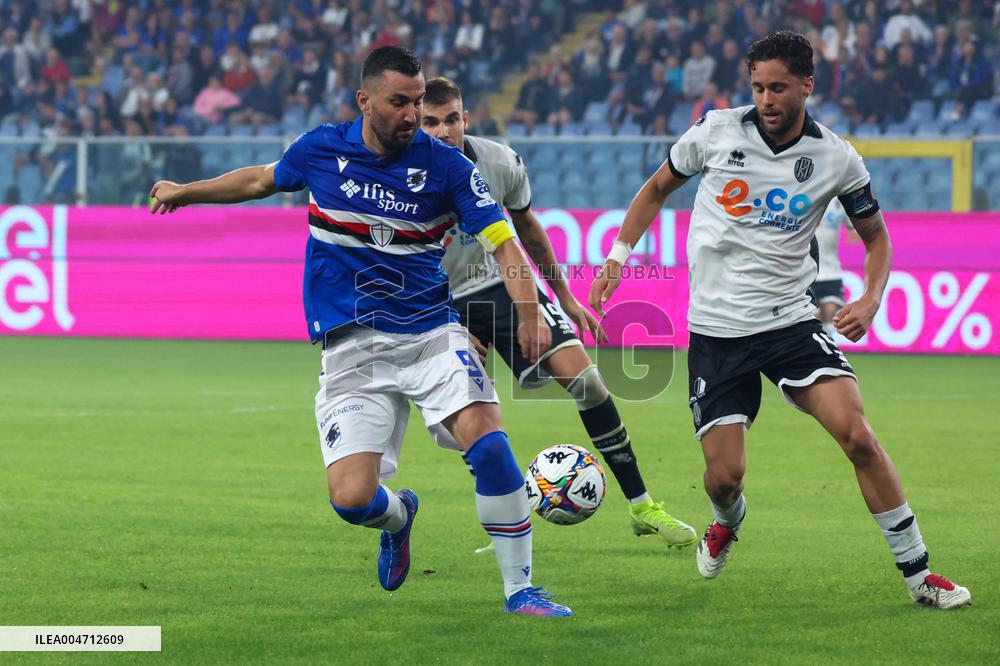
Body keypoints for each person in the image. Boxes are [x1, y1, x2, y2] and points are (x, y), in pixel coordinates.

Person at [148, 46, 573, 617]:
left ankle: (521, 590)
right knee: (351, 500)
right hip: (351, 345)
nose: (412, 115)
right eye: (400, 102)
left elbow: (505, 244)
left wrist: (529, 314)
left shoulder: (448, 167)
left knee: (490, 444)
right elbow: (258, 181)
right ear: (365, 100)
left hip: (430, 332)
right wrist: (185, 191)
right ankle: (399, 517)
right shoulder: (322, 148)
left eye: (419, 102)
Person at [589, 31, 971, 609]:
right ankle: (725, 522)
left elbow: (877, 239)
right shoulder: (715, 132)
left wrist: (869, 298)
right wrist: (618, 256)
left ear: (806, 87)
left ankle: (919, 574)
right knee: (724, 478)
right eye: (758, 87)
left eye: (778, 88)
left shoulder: (836, 159)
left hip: (792, 326)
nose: (766, 99)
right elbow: (656, 187)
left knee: (859, 437)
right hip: (717, 334)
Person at [420, 76, 697, 549]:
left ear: (466, 119)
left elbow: (526, 229)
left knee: (588, 383)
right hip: (440, 298)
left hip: (503, 283)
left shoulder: (498, 162)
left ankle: (643, 507)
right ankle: (504, 513)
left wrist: (563, 296)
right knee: (472, 418)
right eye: (431, 122)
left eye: (451, 120)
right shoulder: (396, 177)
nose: (443, 131)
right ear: (415, 123)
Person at [811, 198, 857, 338]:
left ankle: (828, 350)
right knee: (812, 319)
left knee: (830, 314)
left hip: (832, 271)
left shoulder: (841, 200)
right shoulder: (807, 194)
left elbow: (854, 231)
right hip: (808, 271)